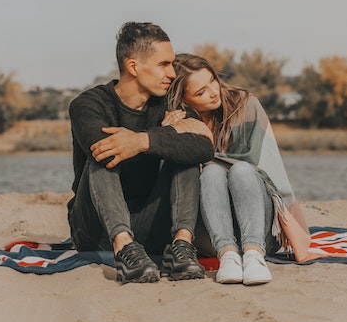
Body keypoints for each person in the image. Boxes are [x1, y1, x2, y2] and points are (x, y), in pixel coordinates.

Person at [66, 22, 215, 284]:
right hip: (95, 228)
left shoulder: (170, 105)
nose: (172, 73)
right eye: (164, 64)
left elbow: (204, 147)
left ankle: (181, 247)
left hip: (151, 225)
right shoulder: (88, 105)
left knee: (186, 157)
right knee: (103, 154)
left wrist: (143, 140)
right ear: (134, 67)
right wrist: (169, 135)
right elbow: (102, 146)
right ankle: (124, 247)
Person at [166, 53, 310, 286]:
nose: (213, 92)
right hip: (210, 235)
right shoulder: (180, 121)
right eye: (200, 92)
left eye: (212, 80)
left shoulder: (246, 104)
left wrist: (207, 158)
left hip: (259, 230)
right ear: (184, 100)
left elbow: (265, 168)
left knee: (241, 170)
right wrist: (171, 134)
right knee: (211, 174)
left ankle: (254, 256)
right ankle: (228, 256)